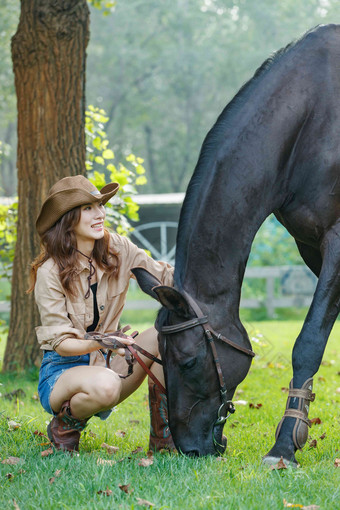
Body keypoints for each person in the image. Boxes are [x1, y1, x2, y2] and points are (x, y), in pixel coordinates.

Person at [28, 175, 175, 453]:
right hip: (62, 372)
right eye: (88, 208)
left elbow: (165, 277)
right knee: (106, 385)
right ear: (67, 218)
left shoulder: (119, 248)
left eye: (100, 206)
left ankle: (163, 439)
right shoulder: (49, 272)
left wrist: (207, 277)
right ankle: (64, 426)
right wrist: (104, 341)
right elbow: (61, 343)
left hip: (108, 360)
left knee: (163, 334)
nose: (100, 214)